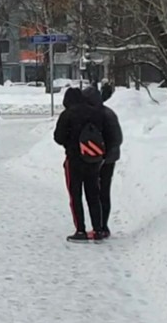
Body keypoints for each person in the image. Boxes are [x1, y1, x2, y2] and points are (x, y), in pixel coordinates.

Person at [53, 87, 113, 242]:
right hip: (93, 161)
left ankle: (80, 230)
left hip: (74, 160)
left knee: (76, 196)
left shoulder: (67, 115)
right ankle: (98, 230)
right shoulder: (96, 113)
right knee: (93, 195)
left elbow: (58, 137)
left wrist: (70, 142)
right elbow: (106, 135)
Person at [86, 83, 123, 233]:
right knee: (103, 192)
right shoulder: (108, 113)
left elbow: (115, 139)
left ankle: (101, 226)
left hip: (103, 159)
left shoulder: (100, 115)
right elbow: (118, 138)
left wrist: (103, 156)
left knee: (99, 192)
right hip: (108, 158)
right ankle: (102, 225)